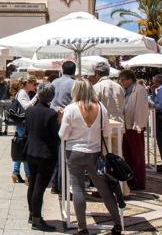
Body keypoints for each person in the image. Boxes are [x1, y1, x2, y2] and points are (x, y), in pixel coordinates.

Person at [59, 79, 122, 235]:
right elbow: (107, 132)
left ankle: (82, 227)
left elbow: (63, 134)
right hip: (94, 153)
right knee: (105, 189)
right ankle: (117, 224)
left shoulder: (71, 108)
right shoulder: (101, 108)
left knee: (78, 189)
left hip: (74, 152)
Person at [24, 83, 59, 232]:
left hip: (31, 151)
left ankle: (32, 214)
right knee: (40, 187)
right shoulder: (51, 114)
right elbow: (56, 135)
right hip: (46, 154)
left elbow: (27, 130)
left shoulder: (30, 110)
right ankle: (37, 219)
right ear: (51, 96)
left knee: (33, 184)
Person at [119, 70, 150, 190]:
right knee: (127, 154)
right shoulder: (126, 90)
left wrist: (138, 125)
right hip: (126, 126)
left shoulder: (139, 89)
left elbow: (141, 108)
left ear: (129, 79)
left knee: (137, 155)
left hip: (134, 127)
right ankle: (130, 178)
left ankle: (139, 180)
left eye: (123, 79)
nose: (121, 82)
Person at [49, 60, 76, 194]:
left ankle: (54, 183)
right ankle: (61, 185)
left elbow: (50, 101)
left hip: (53, 119)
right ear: (74, 71)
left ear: (62, 69)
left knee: (56, 152)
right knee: (64, 154)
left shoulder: (54, 82)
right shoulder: (75, 84)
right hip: (66, 120)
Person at [12, 77, 37, 184]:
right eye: (33, 83)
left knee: (20, 148)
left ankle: (15, 172)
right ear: (27, 83)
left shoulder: (24, 92)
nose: (35, 85)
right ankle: (28, 176)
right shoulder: (22, 93)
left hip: (23, 124)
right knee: (25, 148)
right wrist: (36, 97)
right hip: (22, 125)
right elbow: (26, 107)